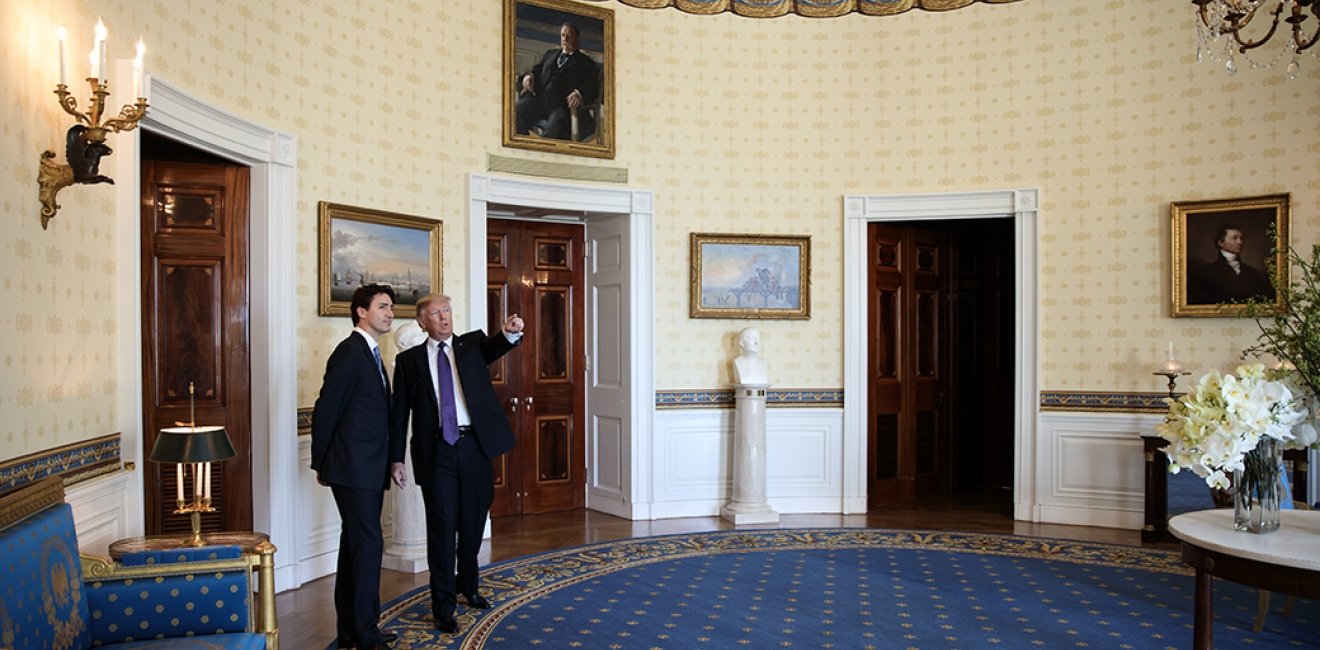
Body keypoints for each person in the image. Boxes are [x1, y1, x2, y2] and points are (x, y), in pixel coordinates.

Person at [389, 294, 524, 634]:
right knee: (442, 528)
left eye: (447, 310)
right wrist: (395, 459)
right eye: (435, 313)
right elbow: (399, 414)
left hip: (474, 446)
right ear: (423, 323)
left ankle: (469, 586)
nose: (443, 317)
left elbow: (497, 346)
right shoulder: (409, 362)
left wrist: (509, 332)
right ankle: (443, 605)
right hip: (437, 452)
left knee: (473, 520)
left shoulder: (472, 344)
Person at [310, 283, 409, 650]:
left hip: (365, 466)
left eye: (391, 308)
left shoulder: (369, 353)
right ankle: (366, 633)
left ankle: (353, 630)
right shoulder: (350, 353)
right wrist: (321, 462)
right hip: (351, 467)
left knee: (355, 544)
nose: (390, 313)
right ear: (361, 312)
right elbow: (326, 409)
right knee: (368, 544)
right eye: (382, 307)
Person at [515, 22, 600, 140]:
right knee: (517, 110)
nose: (565, 39)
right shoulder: (550, 54)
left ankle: (543, 154)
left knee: (554, 128)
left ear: (577, 39)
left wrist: (578, 94)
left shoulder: (586, 63)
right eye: (563, 35)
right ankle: (520, 146)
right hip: (540, 101)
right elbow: (537, 70)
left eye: (569, 35)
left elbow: (591, 85)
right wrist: (528, 76)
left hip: (562, 107)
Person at [1188, 225, 1276, 305]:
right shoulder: (1208, 272)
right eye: (1234, 238)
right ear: (1220, 242)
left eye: (1241, 238)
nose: (1240, 242)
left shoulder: (1252, 272)